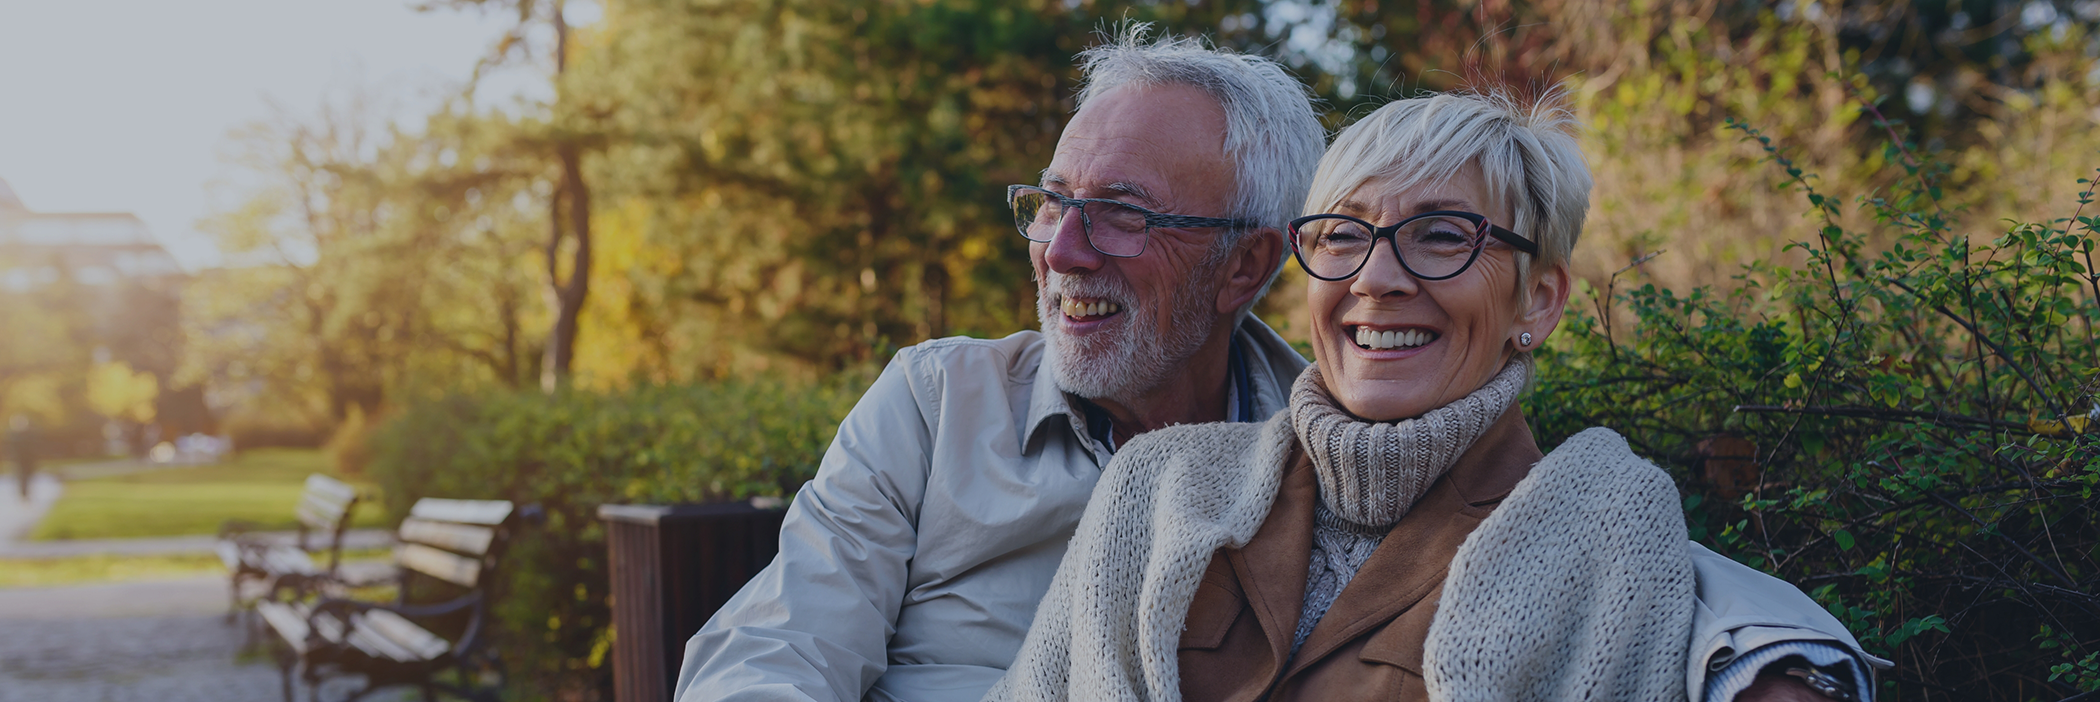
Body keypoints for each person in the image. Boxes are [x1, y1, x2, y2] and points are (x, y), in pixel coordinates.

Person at [988, 89, 1891, 702]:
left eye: (1440, 237)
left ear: (1537, 300)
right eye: (1341, 236)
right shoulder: (1162, 484)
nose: (1377, 279)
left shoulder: (1609, 523)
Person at [675, 27, 1328, 702]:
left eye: (1121, 213)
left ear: (1244, 265)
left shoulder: (1333, 460)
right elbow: (775, 650)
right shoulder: (934, 403)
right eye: (1054, 202)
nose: (1061, 251)